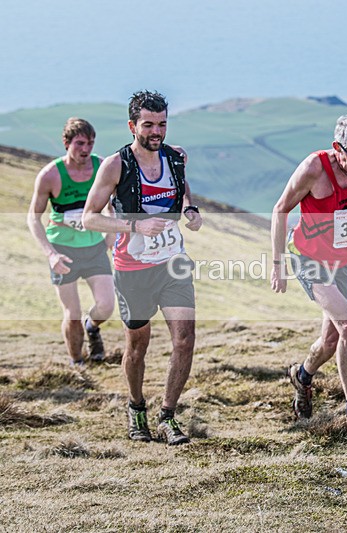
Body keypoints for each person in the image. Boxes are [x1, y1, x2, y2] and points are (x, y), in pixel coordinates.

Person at [83, 91, 203, 445]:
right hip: (132, 268)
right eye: (148, 124)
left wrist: (191, 210)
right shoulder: (115, 165)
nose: (156, 131)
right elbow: (90, 218)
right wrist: (134, 226)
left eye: (162, 124)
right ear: (132, 125)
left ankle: (168, 415)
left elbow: (183, 192)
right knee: (138, 345)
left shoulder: (175, 158)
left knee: (185, 340)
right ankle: (137, 409)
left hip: (173, 264)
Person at [271, 114, 347, 419]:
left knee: (331, 341)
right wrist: (278, 263)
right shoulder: (314, 169)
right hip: (308, 259)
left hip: (341, 260)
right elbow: (280, 209)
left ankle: (303, 375)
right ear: (337, 147)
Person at [27, 118, 115, 366]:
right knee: (72, 313)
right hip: (63, 251)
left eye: (90, 143)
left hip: (94, 247)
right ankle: (77, 362)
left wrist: (111, 233)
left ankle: (93, 326)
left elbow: (111, 205)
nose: (85, 149)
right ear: (66, 143)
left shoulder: (102, 167)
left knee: (107, 306)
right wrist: (50, 254)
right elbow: (33, 219)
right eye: (79, 143)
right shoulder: (49, 175)